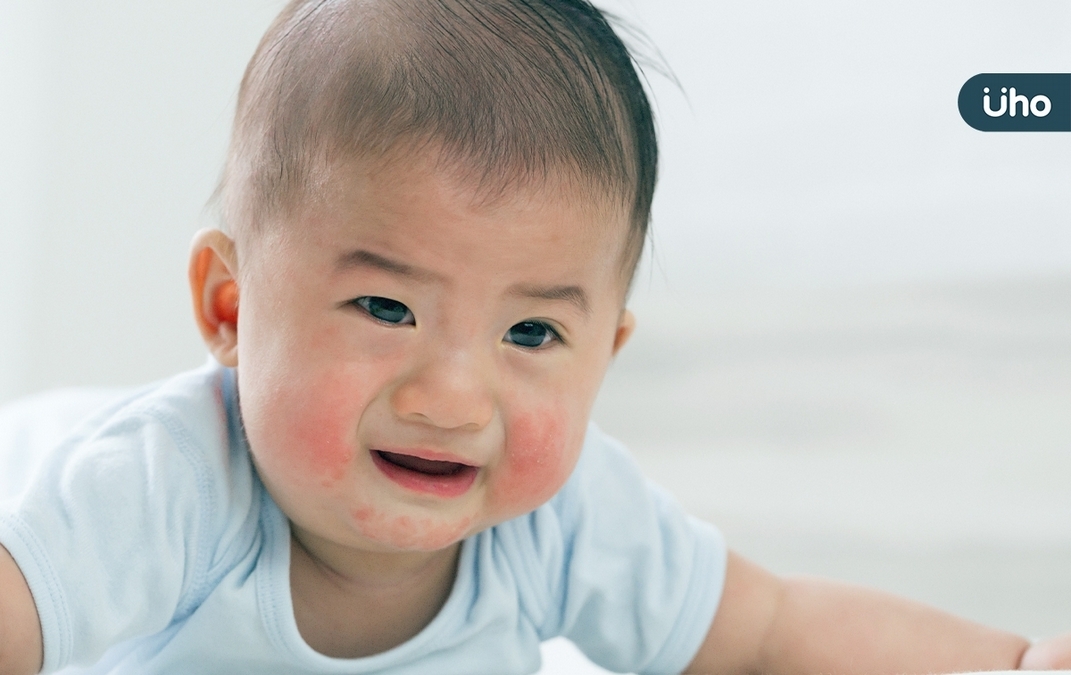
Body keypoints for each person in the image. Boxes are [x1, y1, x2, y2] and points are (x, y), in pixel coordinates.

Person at [0, 1, 1068, 673]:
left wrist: (1012, 661)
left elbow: (767, 634)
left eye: (531, 332)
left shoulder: (559, 523)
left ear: (608, 352)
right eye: (386, 310)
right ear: (230, 311)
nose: (452, 398)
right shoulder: (167, 488)